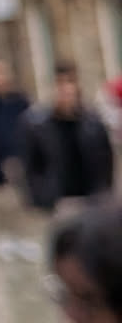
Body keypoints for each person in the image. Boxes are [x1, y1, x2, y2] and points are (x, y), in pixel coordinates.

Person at [21, 62, 114, 212]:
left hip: (92, 200)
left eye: (69, 83)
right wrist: (43, 199)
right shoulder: (36, 125)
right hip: (58, 202)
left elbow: (106, 161)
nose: (65, 90)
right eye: (60, 84)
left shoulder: (92, 122)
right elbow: (31, 167)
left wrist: (104, 194)